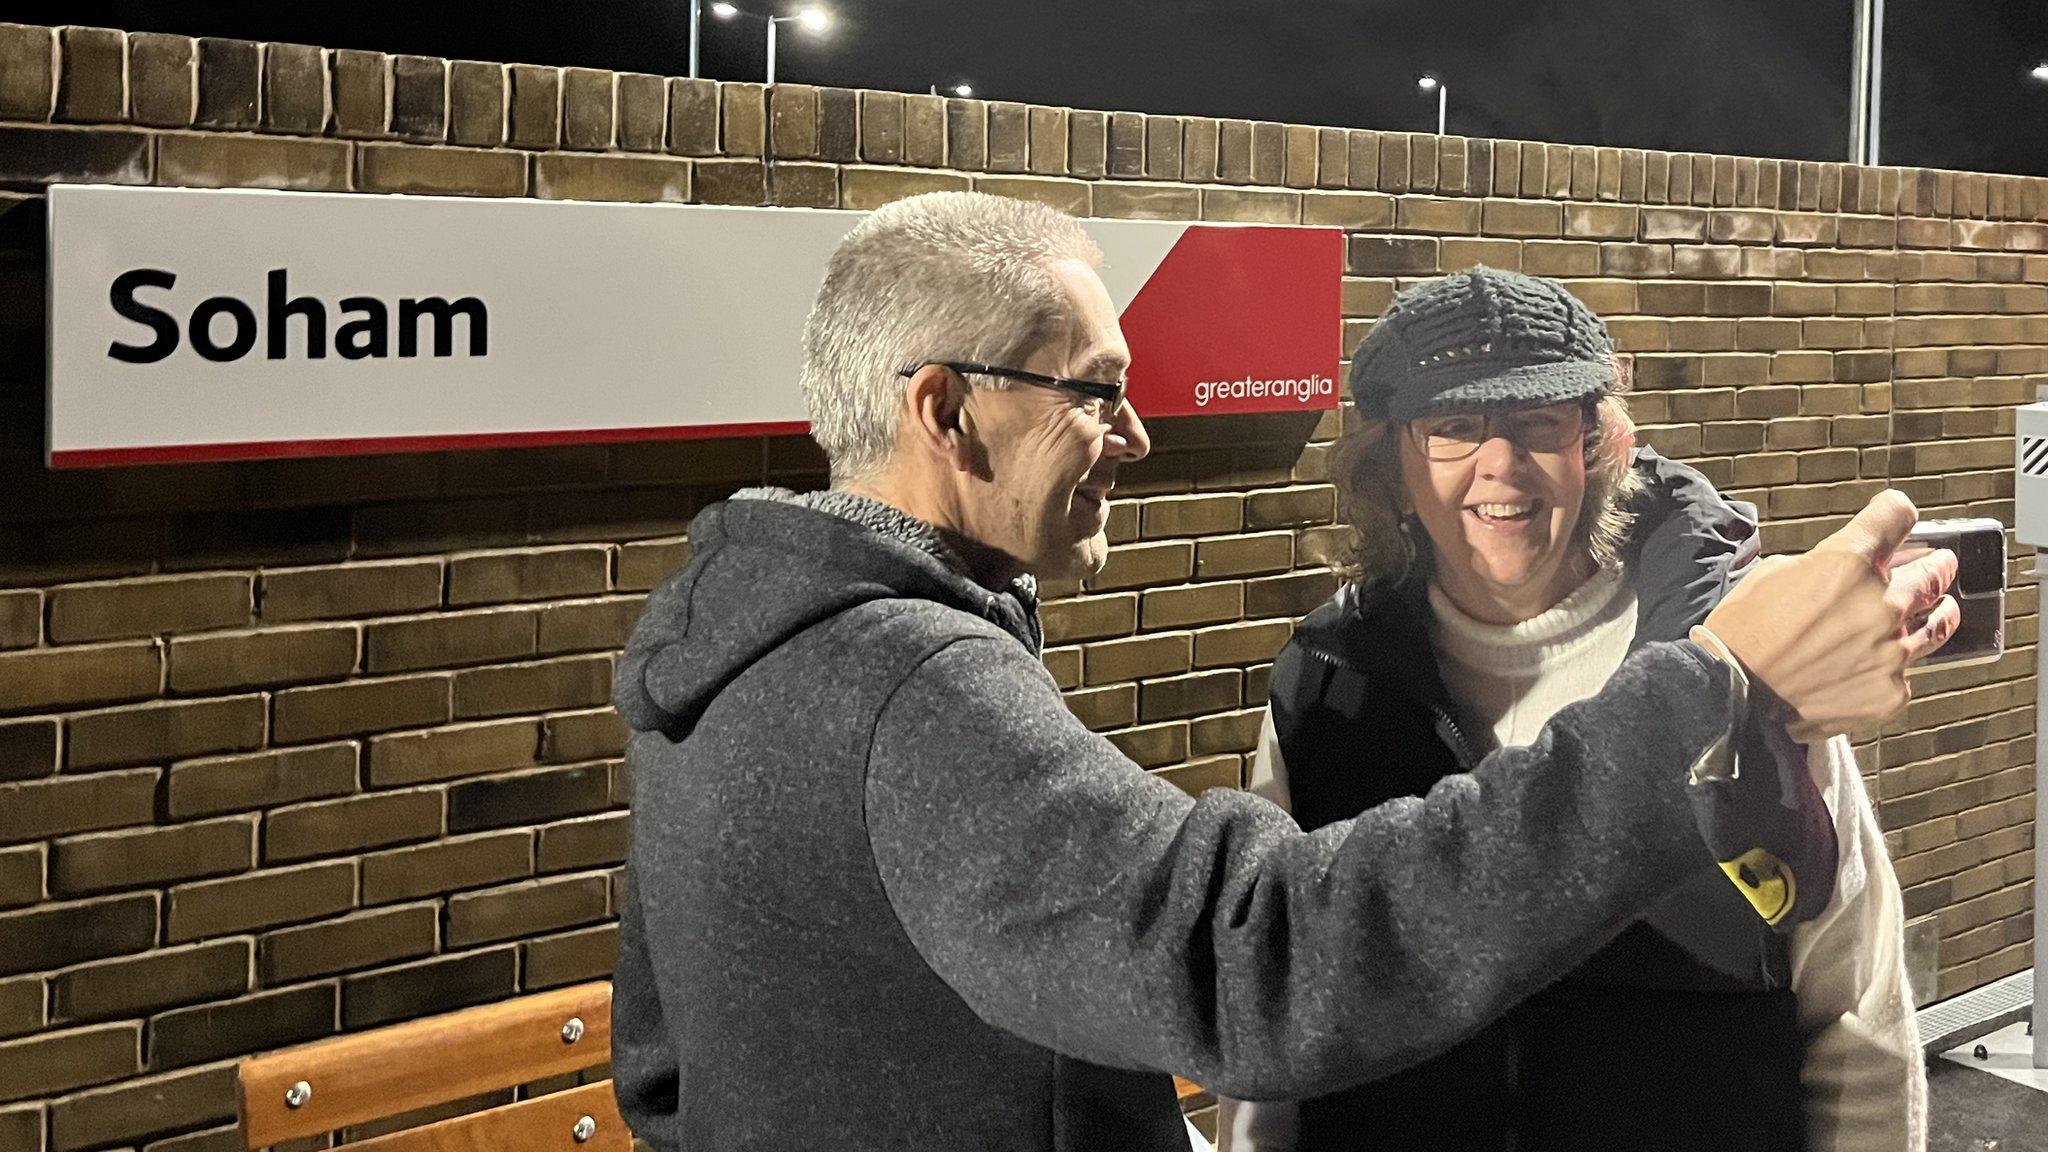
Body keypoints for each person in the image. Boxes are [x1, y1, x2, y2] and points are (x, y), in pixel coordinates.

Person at [607, 192, 1956, 1152]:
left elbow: (662, 1077)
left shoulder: (720, 656)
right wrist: (1711, 690)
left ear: (1605, 443)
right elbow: (1262, 971)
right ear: (948, 410)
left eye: (1540, 426)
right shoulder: (928, 689)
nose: (1134, 435)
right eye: (1094, 390)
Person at [1220, 267, 1926, 1152]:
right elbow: (1274, 1009)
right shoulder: (1328, 685)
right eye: (1454, 429)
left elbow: (1855, 1013)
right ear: (1394, 468)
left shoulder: (1734, 661)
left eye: (1538, 424)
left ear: (1599, 446)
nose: (1502, 464)